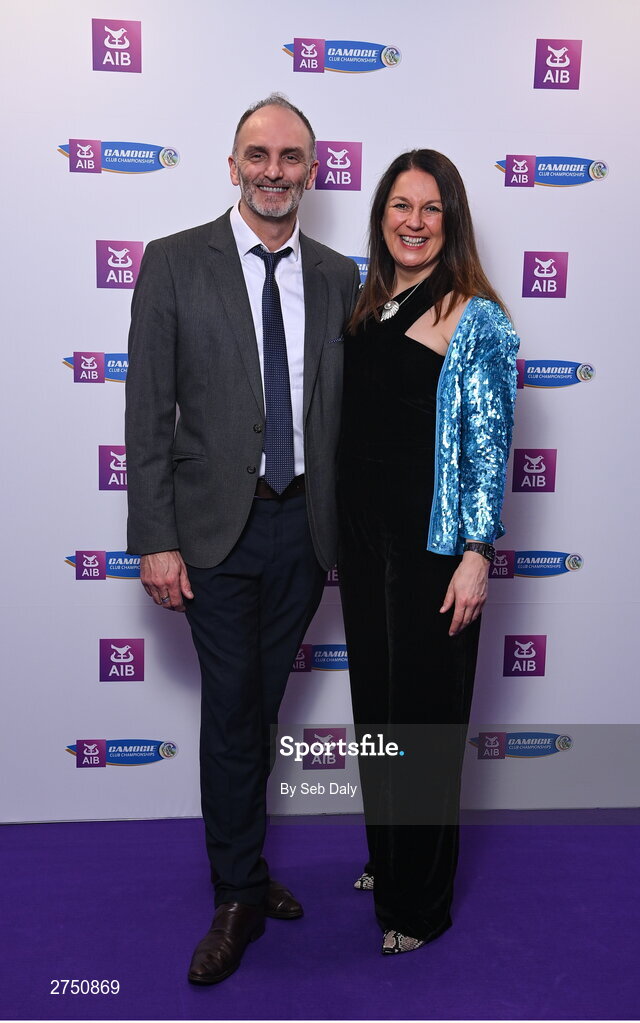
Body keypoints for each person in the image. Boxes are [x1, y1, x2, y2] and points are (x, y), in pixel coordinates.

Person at [125, 94, 360, 985]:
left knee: (258, 709)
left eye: (291, 157)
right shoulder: (175, 263)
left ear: (313, 170)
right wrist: (156, 535)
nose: (274, 171)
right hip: (211, 532)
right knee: (231, 707)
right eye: (257, 155)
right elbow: (146, 411)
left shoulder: (340, 275)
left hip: (304, 528)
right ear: (232, 166)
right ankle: (235, 896)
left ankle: (249, 870)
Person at [337, 149, 519, 955]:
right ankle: (389, 853)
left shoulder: (477, 315)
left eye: (431, 208)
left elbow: (488, 446)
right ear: (381, 216)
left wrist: (477, 552)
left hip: (433, 552)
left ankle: (421, 903)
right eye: (400, 206)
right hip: (364, 543)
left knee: (425, 721)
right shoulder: (370, 304)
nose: (413, 221)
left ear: (452, 221)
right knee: (378, 709)